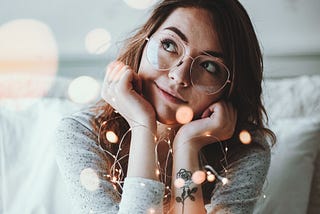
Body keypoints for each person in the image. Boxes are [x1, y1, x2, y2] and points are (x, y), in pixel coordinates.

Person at [55, 0, 276, 213]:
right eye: (169, 45)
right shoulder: (81, 134)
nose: (179, 76)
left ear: (230, 87)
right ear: (144, 42)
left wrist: (187, 146)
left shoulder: (245, 149)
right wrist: (143, 127)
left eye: (208, 66)